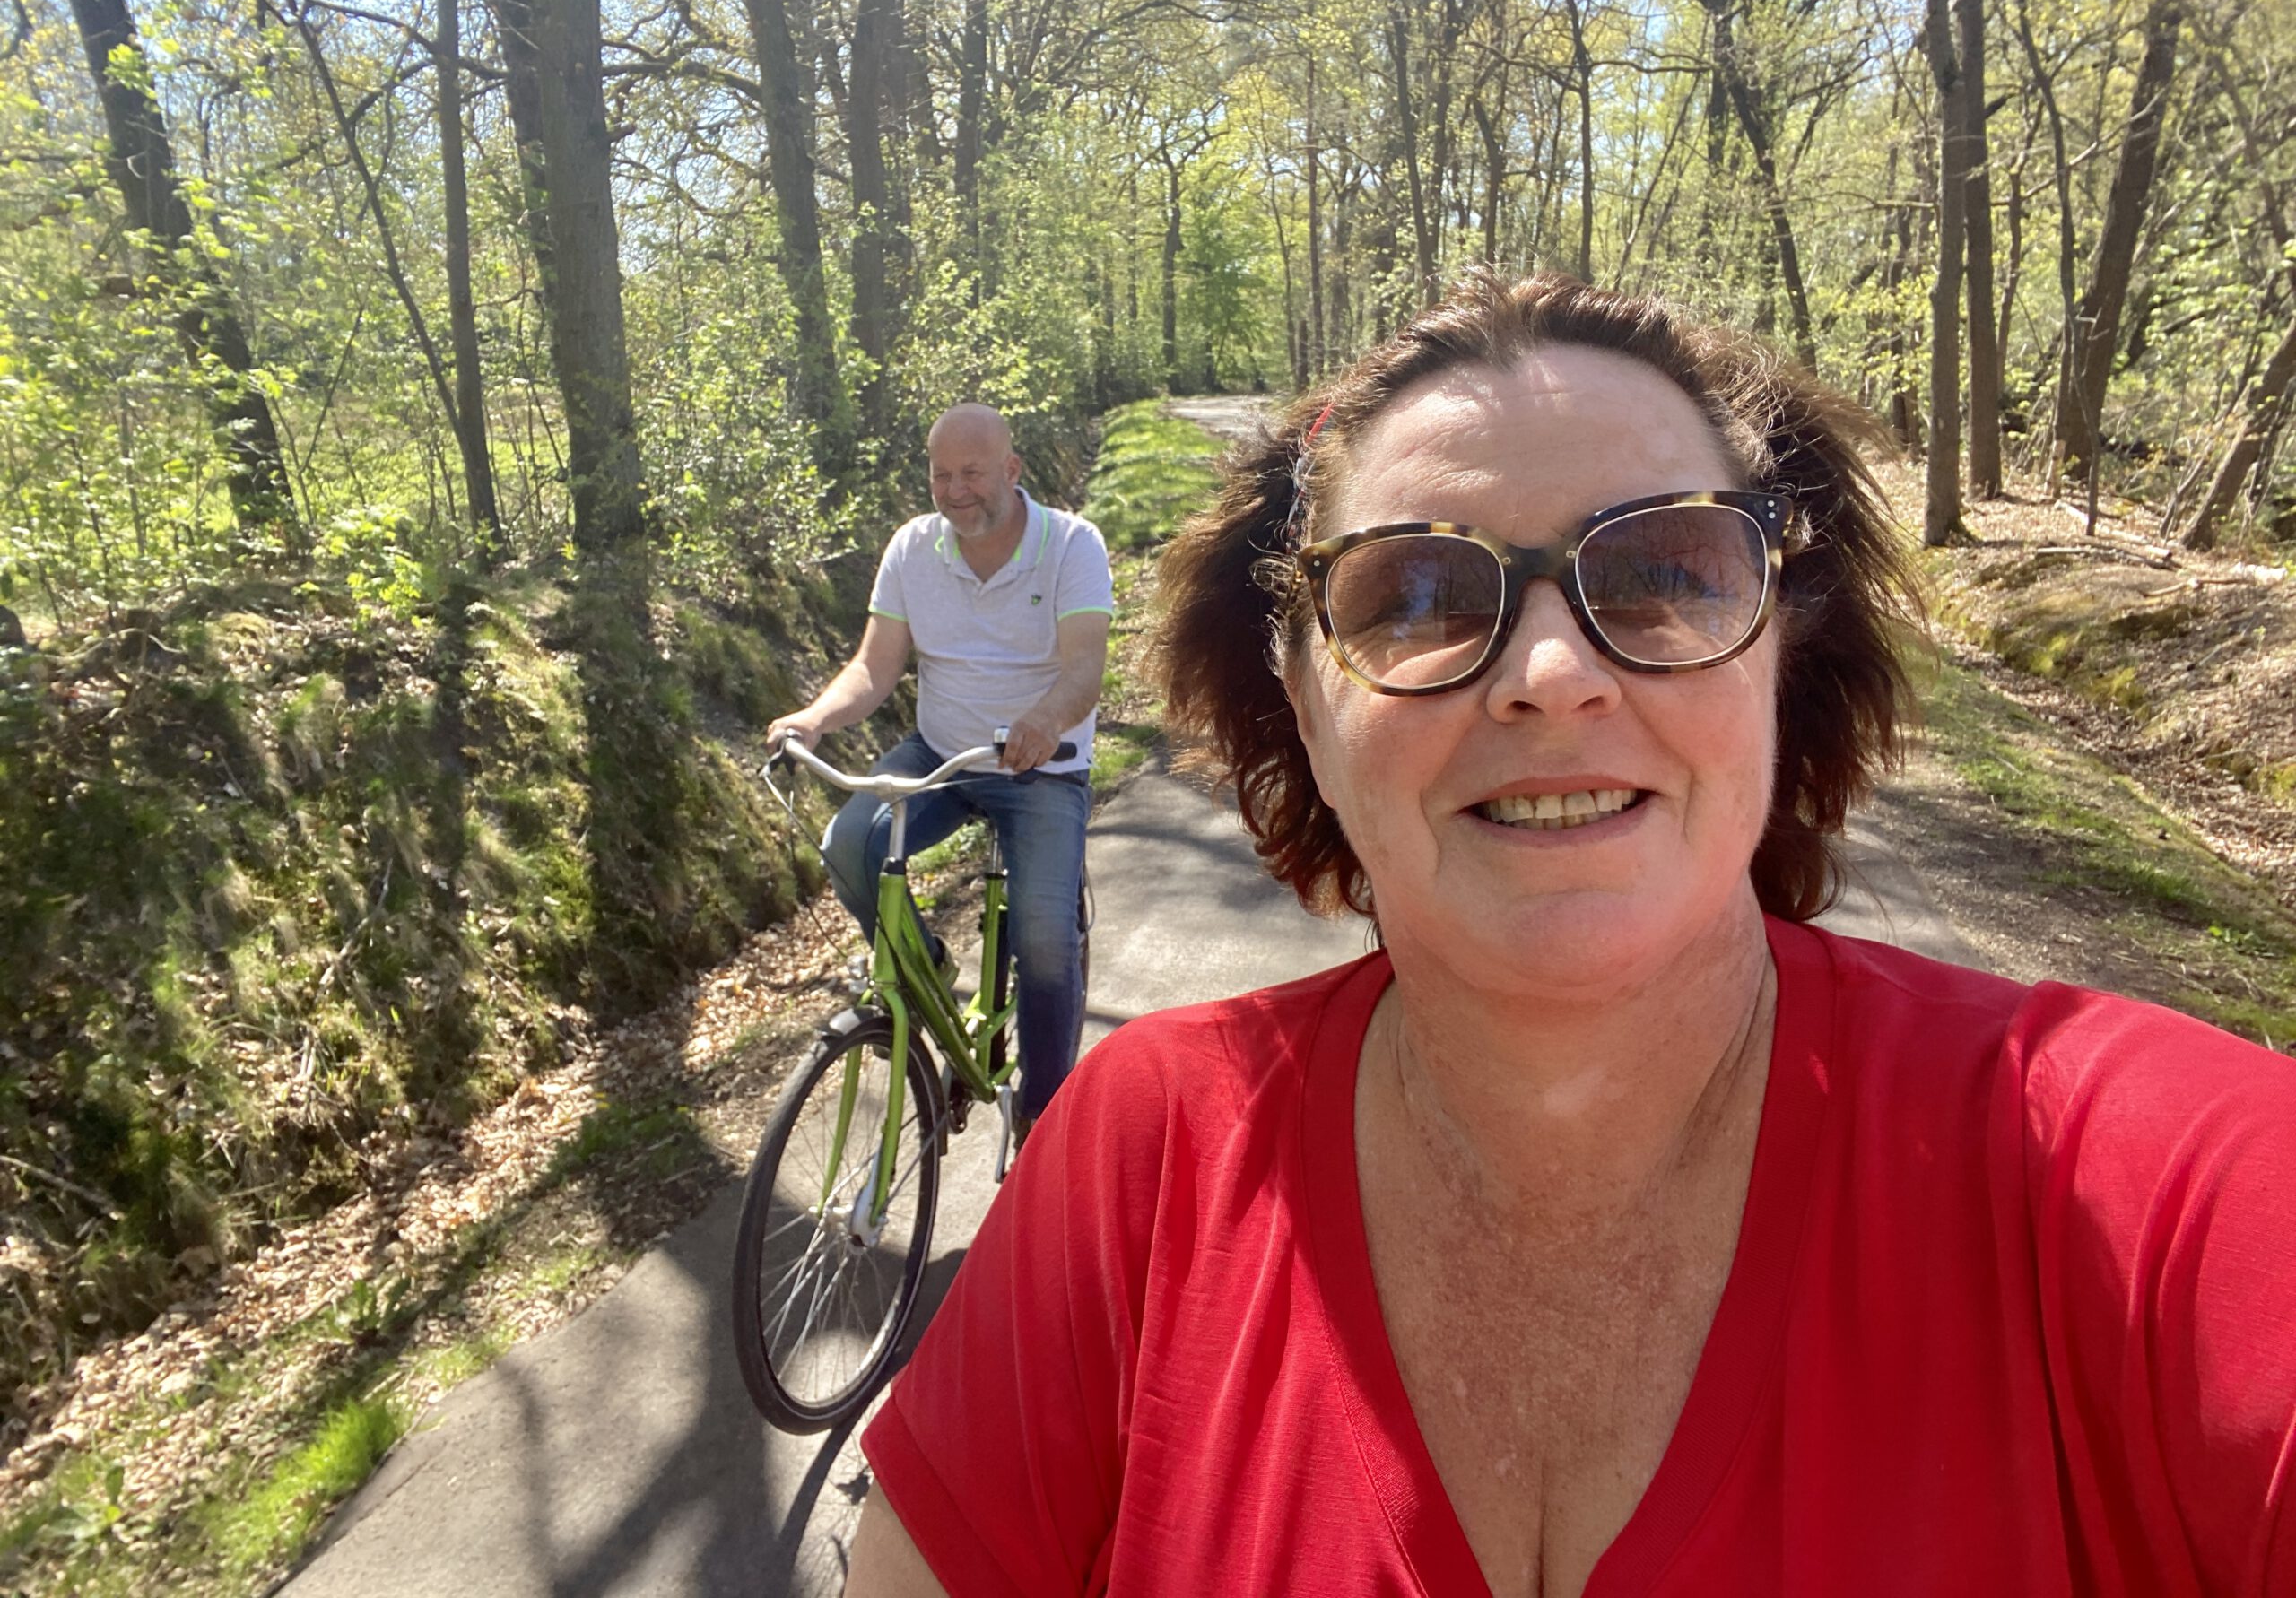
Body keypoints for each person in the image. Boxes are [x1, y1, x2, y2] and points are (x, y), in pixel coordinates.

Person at [841, 274, 2296, 1596]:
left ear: (1785, 642)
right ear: (1298, 690)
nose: (1550, 672)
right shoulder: (1136, 1164)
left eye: (1668, 571)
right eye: (1414, 593)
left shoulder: (2142, 1196)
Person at [767, 402, 1111, 1128]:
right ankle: (925, 977)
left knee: (1045, 943)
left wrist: (1045, 721)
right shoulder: (912, 549)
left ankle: (1044, 1128)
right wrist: (815, 718)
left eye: (974, 473)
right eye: (941, 474)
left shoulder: (1072, 545)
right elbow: (874, 665)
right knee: (849, 847)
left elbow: (1084, 670)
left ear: (1013, 471)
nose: (956, 490)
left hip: (1040, 767)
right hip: (942, 755)